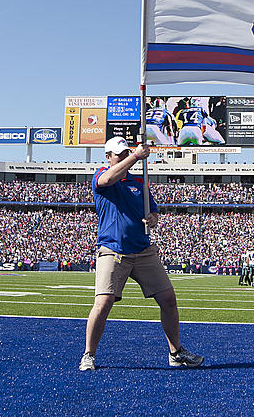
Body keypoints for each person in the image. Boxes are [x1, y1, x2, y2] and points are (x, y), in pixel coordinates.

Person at [80, 136, 203, 371]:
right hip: (113, 250)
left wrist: (153, 219)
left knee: (168, 299)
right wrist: (136, 156)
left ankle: (175, 352)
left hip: (143, 250)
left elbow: (154, 212)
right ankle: (89, 354)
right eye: (120, 155)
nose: (125, 157)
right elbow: (107, 179)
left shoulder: (140, 182)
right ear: (108, 157)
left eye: (127, 153)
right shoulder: (102, 176)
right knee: (103, 302)